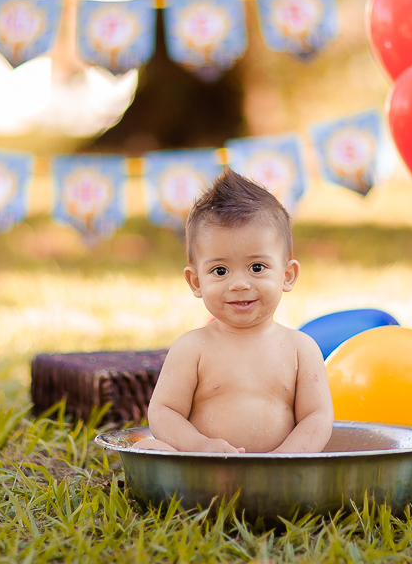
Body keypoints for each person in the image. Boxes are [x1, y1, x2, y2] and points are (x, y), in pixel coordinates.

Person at [133, 168, 334, 454]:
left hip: (280, 474)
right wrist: (201, 446)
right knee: (152, 448)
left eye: (256, 267)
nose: (239, 284)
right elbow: (164, 412)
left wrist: (286, 457)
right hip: (205, 467)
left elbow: (317, 417)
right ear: (196, 281)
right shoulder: (193, 348)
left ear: (287, 275)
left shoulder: (301, 349)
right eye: (220, 270)